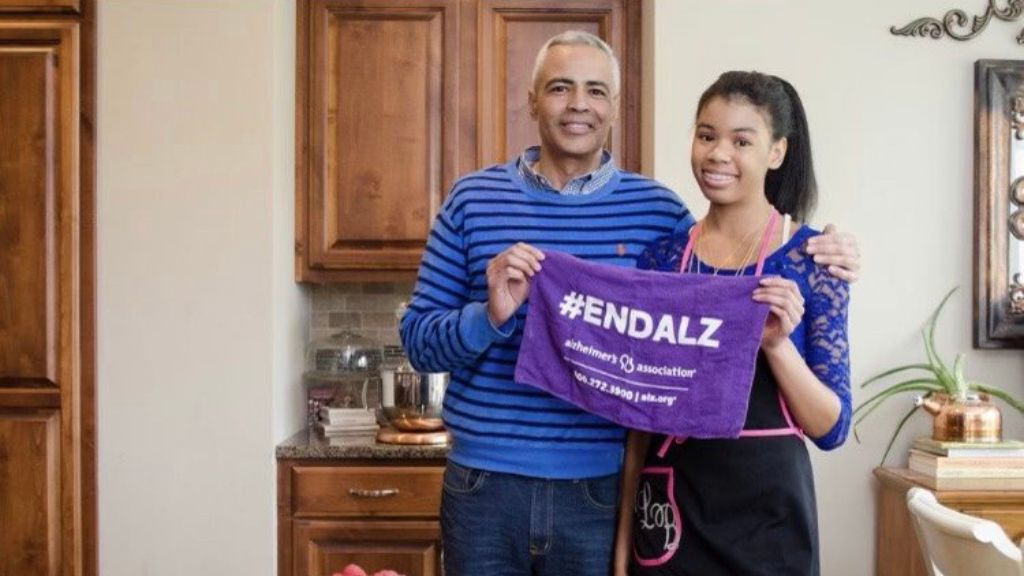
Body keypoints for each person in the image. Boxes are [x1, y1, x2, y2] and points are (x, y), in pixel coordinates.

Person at [400, 32, 858, 576]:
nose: (578, 105)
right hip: (487, 485)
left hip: (603, 489)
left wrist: (831, 250)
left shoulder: (657, 216)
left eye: (596, 90)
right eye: (559, 88)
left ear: (614, 108)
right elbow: (419, 343)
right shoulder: (474, 201)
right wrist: (491, 316)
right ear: (531, 100)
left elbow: (732, 258)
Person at [613, 71, 851, 576]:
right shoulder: (664, 258)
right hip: (670, 511)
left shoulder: (812, 260)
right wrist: (621, 546)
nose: (718, 154)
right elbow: (638, 420)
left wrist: (778, 346)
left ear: (777, 152)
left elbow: (832, 428)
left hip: (770, 523)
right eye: (706, 136)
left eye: (742, 140)